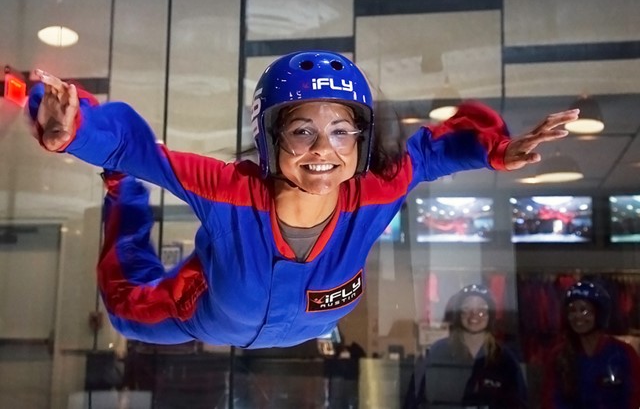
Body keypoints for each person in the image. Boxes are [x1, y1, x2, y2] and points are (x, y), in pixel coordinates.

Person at [28, 50, 579, 349]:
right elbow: (139, 147)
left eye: (342, 131)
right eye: (301, 132)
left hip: (312, 330)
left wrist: (499, 151)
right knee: (124, 309)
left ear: (360, 142)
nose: (323, 150)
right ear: (271, 140)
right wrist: (76, 130)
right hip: (208, 317)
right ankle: (120, 192)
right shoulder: (231, 193)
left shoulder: (374, 193)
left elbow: (432, 150)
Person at [405, 284, 528, 409]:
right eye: (466, 309)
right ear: (458, 314)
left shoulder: (505, 360)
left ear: (490, 315)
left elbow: (519, 404)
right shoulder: (437, 354)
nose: (473, 315)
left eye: (481, 311)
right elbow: (414, 402)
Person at [542, 281, 640, 409]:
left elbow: (633, 396)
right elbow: (550, 401)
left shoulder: (623, 353)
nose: (577, 316)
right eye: (572, 310)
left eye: (584, 310)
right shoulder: (559, 356)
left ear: (599, 313)